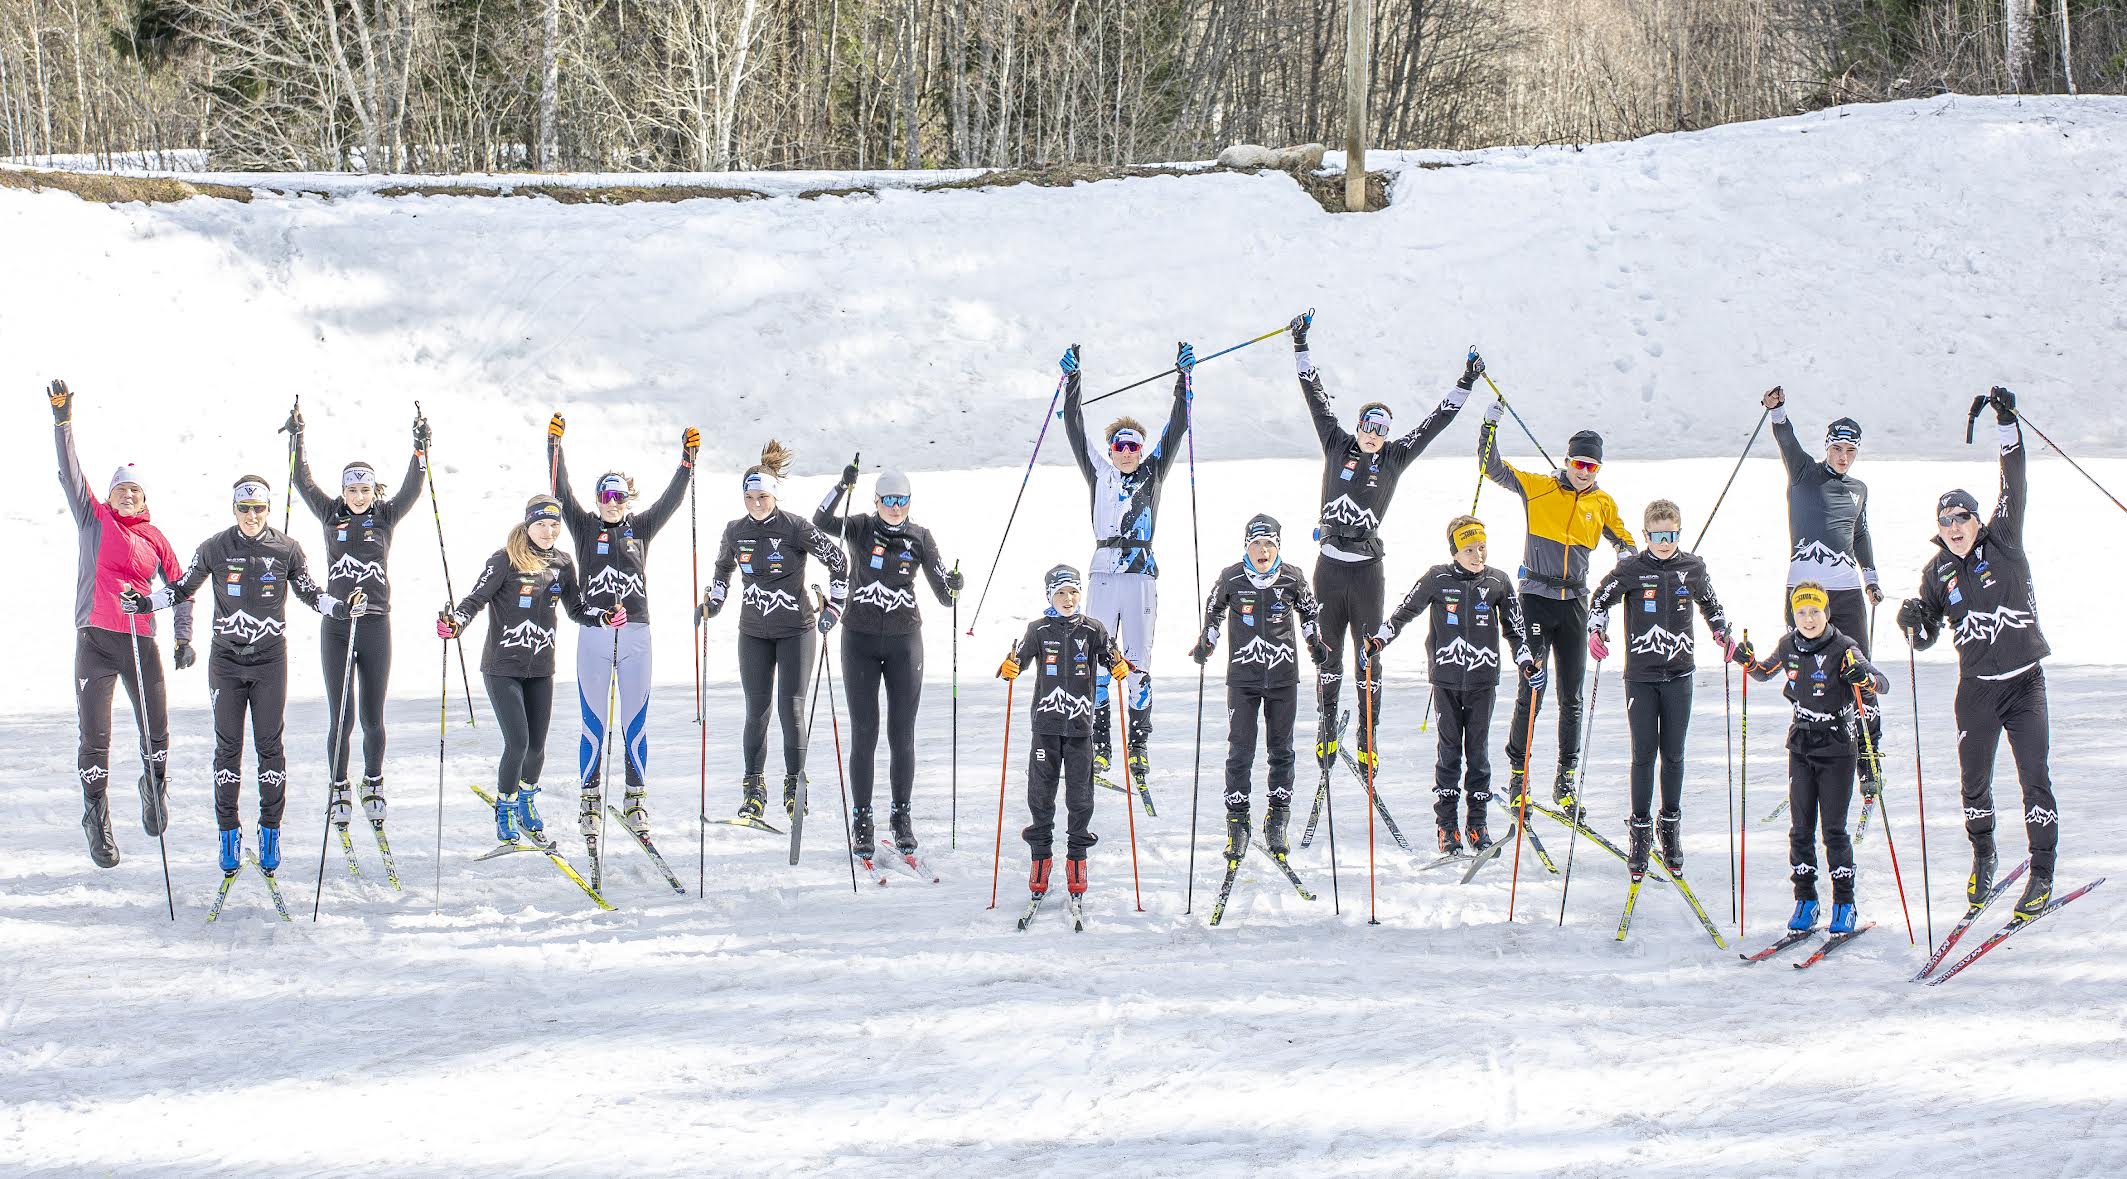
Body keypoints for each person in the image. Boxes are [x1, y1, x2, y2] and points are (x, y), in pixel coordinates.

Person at [123, 476, 353, 877]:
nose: (251, 516)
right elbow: (180, 588)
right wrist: (143, 603)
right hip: (226, 662)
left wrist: (342, 608)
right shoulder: (215, 546)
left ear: (267, 509)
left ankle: (270, 831)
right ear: (234, 510)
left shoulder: (286, 549)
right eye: (244, 509)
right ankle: (228, 833)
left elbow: (311, 592)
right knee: (227, 749)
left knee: (270, 746)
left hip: (269, 662)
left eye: (258, 509)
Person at [1290, 312, 1477, 775]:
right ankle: (1327, 724)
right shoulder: (1337, 443)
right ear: (1358, 426)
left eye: (1381, 429)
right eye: (1369, 427)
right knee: (1328, 655)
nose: (1374, 435)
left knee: (1367, 656)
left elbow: (1437, 422)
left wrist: (1466, 382)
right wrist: (1300, 344)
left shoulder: (1394, 457)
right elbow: (1314, 397)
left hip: (1367, 571)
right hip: (1329, 568)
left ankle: (1367, 735)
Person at [1897, 386, 2057, 919]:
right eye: (1946, 522)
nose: (1955, 528)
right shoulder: (1938, 571)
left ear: (1976, 520)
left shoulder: (2004, 539)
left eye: (1962, 518)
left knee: (2034, 778)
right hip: (1977, 692)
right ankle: (1984, 857)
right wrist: (1914, 621)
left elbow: (2015, 481)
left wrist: (2007, 425)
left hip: (2023, 683)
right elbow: (1926, 634)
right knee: (1974, 782)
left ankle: (2041, 872)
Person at [51, 379, 196, 868]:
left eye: (135, 490)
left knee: (155, 730)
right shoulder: (93, 519)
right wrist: (62, 421)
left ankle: (154, 785)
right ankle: (97, 815)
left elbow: (181, 584)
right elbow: (71, 474)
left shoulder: (155, 537)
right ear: (110, 496)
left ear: (144, 497)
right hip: (95, 640)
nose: (128, 495)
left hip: (139, 642)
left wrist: (182, 637)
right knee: (95, 736)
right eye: (120, 489)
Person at [545, 414, 697, 845]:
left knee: (635, 722)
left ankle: (635, 798)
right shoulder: (584, 525)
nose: (613, 501)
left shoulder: (640, 528)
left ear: (628, 499)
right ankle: (590, 799)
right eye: (606, 495)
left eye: (620, 495)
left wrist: (687, 461)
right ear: (597, 499)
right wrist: (554, 446)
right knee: (593, 723)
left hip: (636, 635)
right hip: (594, 635)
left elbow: (671, 500)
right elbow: (560, 489)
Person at [1477, 404, 1635, 813]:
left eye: (1593, 466)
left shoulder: (1602, 504)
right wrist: (1490, 424)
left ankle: (1564, 781)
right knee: (1533, 687)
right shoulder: (1538, 486)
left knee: (1572, 696)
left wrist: (1633, 562)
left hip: (1574, 604)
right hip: (1534, 599)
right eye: (1580, 463)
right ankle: (1518, 776)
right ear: (1567, 461)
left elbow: (1625, 543)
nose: (1585, 471)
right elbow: (1491, 467)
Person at [438, 495, 616, 844]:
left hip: (541, 669)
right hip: (502, 667)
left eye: (554, 525)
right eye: (541, 524)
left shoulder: (563, 563)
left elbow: (576, 609)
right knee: (517, 743)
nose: (548, 531)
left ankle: (526, 801)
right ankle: (504, 808)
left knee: (537, 747)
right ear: (528, 524)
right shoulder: (504, 560)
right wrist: (456, 622)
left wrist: (603, 617)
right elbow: (475, 600)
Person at [288, 402, 429, 835]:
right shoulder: (331, 514)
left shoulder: (384, 515)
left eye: (364, 489)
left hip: (375, 624)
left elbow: (412, 487)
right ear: (344, 491)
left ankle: (373, 782)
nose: (358, 496)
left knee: (372, 715)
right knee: (341, 716)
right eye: (352, 490)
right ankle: (338, 786)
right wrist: (298, 437)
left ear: (372, 491)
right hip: (337, 625)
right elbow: (301, 480)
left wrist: (420, 447)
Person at [1060, 341, 1191, 797]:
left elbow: (1177, 430)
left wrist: (1183, 382)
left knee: (1137, 658)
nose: (1128, 452)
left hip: (1140, 571)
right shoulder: (1099, 472)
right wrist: (1073, 382)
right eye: (1121, 445)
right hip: (1101, 571)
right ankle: (1100, 745)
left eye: (1135, 445)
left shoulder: (1153, 472)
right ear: (1111, 449)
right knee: (1099, 659)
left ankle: (1139, 745)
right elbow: (1073, 427)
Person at [815, 465, 961, 862]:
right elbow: (821, 521)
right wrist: (842, 485)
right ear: (876, 501)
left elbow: (944, 596)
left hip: (904, 642)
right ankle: (863, 821)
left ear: (909, 502)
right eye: (888, 500)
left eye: (902, 500)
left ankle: (901, 818)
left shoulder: (920, 537)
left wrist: (954, 585)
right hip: (859, 638)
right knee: (865, 733)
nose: (895, 507)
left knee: (902, 734)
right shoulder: (860, 527)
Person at [1369, 515, 1537, 855]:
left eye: (1481, 547)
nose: (1478, 556)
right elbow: (1405, 611)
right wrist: (1380, 640)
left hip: (1482, 680)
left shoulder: (1498, 582)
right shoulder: (1437, 578)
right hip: (1445, 681)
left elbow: (1516, 631)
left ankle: (1477, 825)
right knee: (1449, 754)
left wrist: (1526, 661)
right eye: (1469, 549)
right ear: (1455, 551)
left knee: (1478, 754)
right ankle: (1447, 827)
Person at [1730, 582, 1888, 935]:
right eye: (1801, 612)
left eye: (1815, 611)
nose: (1809, 618)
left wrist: (1864, 679)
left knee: (1833, 830)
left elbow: (1881, 682)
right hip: (1801, 745)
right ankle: (1806, 900)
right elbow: (1763, 672)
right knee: (1800, 829)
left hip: (1836, 747)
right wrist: (1747, 660)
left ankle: (1844, 903)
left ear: (1826, 612)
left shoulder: (1844, 647)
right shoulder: (1789, 645)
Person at [704, 441, 850, 821]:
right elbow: (722, 572)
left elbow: (839, 561)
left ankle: (794, 784)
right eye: (750, 496)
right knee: (757, 711)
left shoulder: (795, 527)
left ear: (774, 495)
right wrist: (712, 603)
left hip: (795, 630)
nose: (755, 503)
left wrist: (834, 607)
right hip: (752, 630)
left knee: (792, 709)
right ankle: (754, 789)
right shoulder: (735, 532)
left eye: (762, 496)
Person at [1587, 499, 1732, 876]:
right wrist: (1595, 630)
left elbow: (1712, 605)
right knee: (1643, 754)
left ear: (1678, 533)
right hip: (1642, 676)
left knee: (1674, 754)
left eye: (1671, 535)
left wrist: (1721, 632)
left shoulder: (1692, 567)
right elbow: (1600, 600)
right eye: (1657, 536)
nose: (1664, 542)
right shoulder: (1632, 568)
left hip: (1680, 674)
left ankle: (1669, 827)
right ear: (1646, 535)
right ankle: (1639, 830)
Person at [1762, 386, 1884, 789]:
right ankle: (1808, 742)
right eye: (1838, 449)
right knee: (1805, 665)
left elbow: (1860, 532)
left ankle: (1868, 753)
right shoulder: (1804, 474)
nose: (1844, 458)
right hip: (1805, 588)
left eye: (1851, 451)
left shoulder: (1859, 489)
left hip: (1846, 588)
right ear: (1828, 447)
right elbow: (1786, 440)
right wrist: (1778, 410)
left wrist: (1870, 576)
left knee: (1857, 667)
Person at [1188, 514, 1329, 861]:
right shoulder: (1232, 577)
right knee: (1241, 750)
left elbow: (1309, 614)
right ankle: (1237, 822)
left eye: (1269, 544)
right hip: (1243, 678)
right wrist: (1207, 641)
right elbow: (1214, 612)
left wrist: (1315, 643)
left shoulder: (1293, 577)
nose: (1262, 550)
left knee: (1282, 750)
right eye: (1256, 544)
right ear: (1246, 546)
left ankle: (1277, 817)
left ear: (1277, 546)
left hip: (1283, 677)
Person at [998, 565, 1128, 901]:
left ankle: (1076, 860)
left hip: (1080, 728)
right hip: (1045, 726)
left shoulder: (1093, 629)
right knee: (1040, 795)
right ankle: (1040, 858)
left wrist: (1117, 663)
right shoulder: (1038, 630)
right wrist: (1009, 667)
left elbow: (1111, 655)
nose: (1068, 599)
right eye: (1060, 593)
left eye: (1073, 592)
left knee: (1080, 797)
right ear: (1050, 597)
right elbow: (1018, 661)